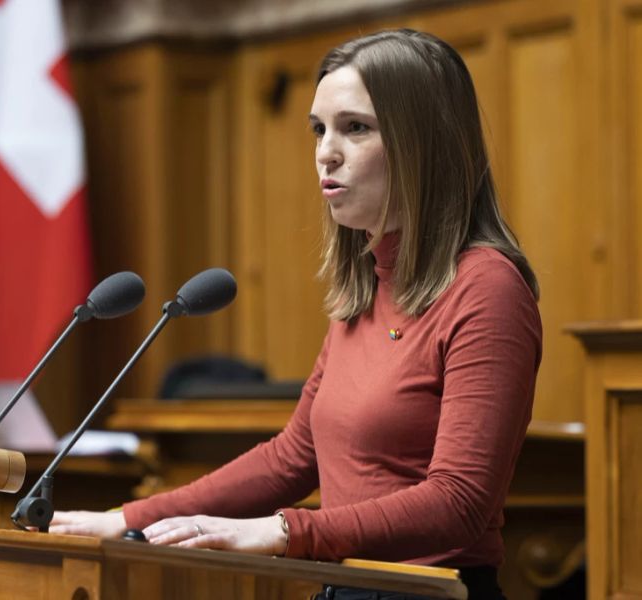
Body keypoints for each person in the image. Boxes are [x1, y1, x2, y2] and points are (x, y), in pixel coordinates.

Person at [50, 29, 542, 599]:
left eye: (355, 127)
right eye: (319, 129)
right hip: (344, 586)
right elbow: (293, 457)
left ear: (426, 142)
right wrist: (128, 519)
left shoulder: (487, 288)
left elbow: (459, 501)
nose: (326, 152)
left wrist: (286, 530)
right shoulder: (367, 288)